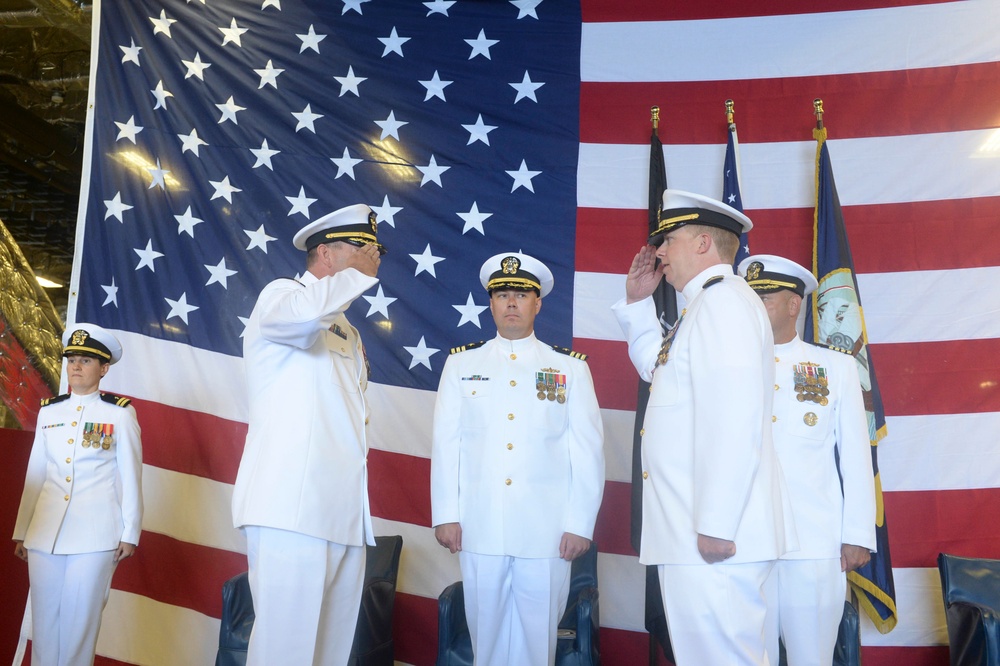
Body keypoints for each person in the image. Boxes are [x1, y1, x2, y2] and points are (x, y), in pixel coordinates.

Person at [611, 189, 796, 665]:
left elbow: (733, 418)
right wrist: (637, 306)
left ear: (701, 245)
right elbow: (660, 369)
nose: (658, 253)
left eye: (667, 239)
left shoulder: (723, 305)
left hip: (714, 538)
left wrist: (716, 522)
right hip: (698, 535)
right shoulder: (705, 307)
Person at [431, 252, 606, 666]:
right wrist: (446, 514)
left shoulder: (568, 369)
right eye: (503, 294)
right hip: (479, 525)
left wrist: (580, 523)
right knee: (485, 638)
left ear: (537, 303)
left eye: (521, 295)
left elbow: (587, 451)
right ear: (490, 303)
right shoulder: (461, 364)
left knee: (536, 642)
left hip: (546, 532)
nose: (511, 302)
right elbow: (446, 444)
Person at [231, 203, 384, 666]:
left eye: (375, 249)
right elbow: (298, 322)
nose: (372, 257)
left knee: (328, 655)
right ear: (324, 253)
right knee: (285, 652)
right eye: (360, 247)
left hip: (339, 511)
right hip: (289, 507)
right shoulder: (282, 296)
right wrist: (354, 276)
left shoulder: (347, 329)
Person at [739, 254, 876, 665]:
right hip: (744, 539)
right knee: (746, 656)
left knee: (811, 658)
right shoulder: (730, 365)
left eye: (763, 298)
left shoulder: (834, 367)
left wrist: (857, 534)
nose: (752, 306)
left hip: (814, 540)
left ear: (794, 305)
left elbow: (854, 454)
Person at [13, 323, 143, 666]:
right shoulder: (49, 412)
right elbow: (36, 473)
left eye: (85, 360)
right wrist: (23, 531)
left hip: (95, 534)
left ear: (104, 368)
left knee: (79, 624)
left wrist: (129, 532)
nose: (76, 366)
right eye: (71, 359)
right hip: (45, 533)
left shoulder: (119, 414)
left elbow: (131, 476)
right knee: (44, 624)